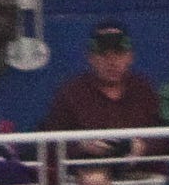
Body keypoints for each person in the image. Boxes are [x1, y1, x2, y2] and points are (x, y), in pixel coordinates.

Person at [36, 22, 158, 164]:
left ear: (130, 57)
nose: (112, 62)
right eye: (103, 55)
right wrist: (82, 146)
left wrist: (144, 146)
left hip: (139, 174)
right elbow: (50, 142)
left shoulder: (143, 89)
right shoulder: (72, 92)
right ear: (90, 58)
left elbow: (165, 137)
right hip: (86, 177)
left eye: (119, 54)